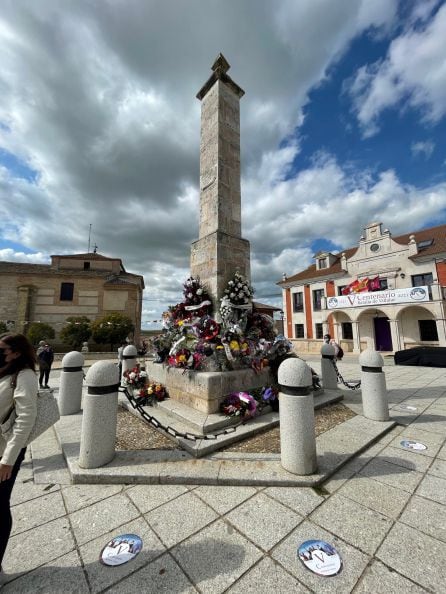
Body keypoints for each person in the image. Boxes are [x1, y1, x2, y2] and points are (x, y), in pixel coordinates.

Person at [0, 334, 38, 583]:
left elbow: (25, 419)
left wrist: (8, 459)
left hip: (5, 453)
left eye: (1, 349)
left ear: (16, 352)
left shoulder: (24, 376)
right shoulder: (4, 371)